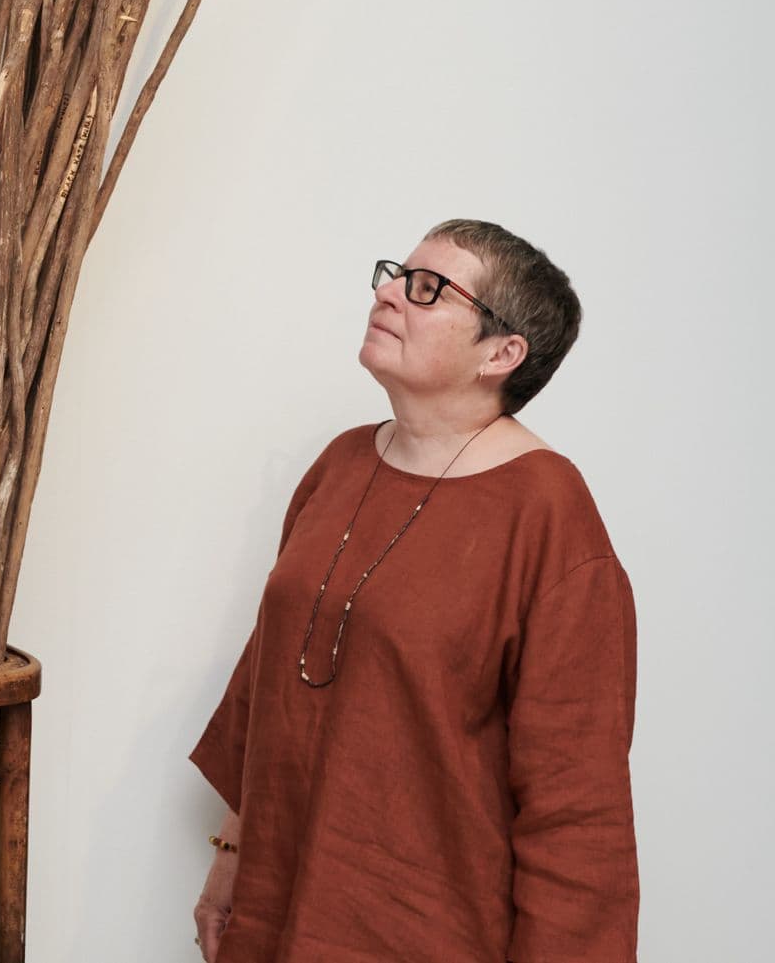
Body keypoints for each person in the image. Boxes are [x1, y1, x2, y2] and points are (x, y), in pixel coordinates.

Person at [189, 219, 639, 961]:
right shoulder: (339, 463)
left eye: (428, 289)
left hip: (425, 932)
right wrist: (230, 860)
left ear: (502, 353)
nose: (390, 294)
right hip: (280, 911)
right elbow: (266, 691)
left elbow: (577, 809)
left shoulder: (549, 515)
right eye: (397, 274)